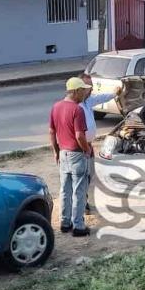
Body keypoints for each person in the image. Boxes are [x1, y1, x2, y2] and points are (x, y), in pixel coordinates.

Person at [49, 77, 93, 237]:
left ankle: (64, 222)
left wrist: (56, 151)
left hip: (63, 153)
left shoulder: (56, 107)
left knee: (65, 190)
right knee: (79, 190)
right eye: (83, 90)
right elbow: (80, 135)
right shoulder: (77, 109)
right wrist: (86, 150)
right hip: (76, 153)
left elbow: (52, 132)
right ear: (76, 91)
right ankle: (78, 226)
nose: (85, 93)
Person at [79, 73, 120, 213]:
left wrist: (114, 93)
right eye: (87, 86)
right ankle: (80, 206)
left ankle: (83, 202)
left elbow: (101, 98)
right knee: (81, 177)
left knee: (89, 175)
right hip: (80, 147)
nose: (90, 89)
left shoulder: (87, 101)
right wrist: (85, 148)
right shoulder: (76, 105)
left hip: (88, 146)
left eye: (91, 85)